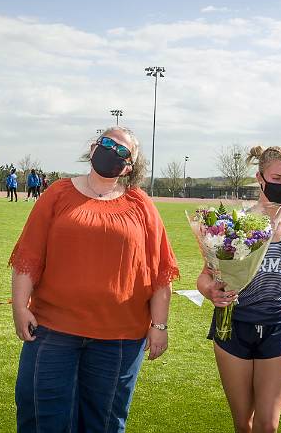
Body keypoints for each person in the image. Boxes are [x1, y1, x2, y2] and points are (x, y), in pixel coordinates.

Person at [11, 126, 179, 432]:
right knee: (41, 417)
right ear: (92, 148)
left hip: (119, 339)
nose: (112, 151)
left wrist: (160, 326)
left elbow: (161, 271)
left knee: (104, 423)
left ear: (130, 166)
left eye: (122, 151)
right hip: (53, 330)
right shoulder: (57, 193)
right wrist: (20, 307)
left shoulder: (141, 204)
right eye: (106, 143)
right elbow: (29, 256)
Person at [196, 145, 281, 433]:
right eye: (278, 178)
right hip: (234, 329)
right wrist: (211, 292)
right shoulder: (233, 224)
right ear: (260, 178)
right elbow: (204, 278)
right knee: (244, 425)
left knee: (268, 426)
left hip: (278, 328)